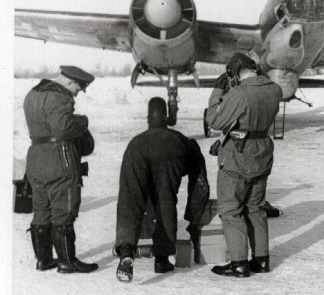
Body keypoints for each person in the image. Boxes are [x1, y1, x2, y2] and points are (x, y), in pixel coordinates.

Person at [113, 97, 211, 283]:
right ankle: (162, 259)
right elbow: (199, 182)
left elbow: (130, 195)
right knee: (165, 201)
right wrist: (194, 219)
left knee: (130, 201)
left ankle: (126, 251)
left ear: (148, 118)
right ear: (166, 118)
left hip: (136, 154)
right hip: (171, 155)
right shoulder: (180, 140)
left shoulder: (136, 142)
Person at [206, 52, 282, 277]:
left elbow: (214, 120)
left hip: (239, 157)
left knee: (231, 209)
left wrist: (218, 92)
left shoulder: (239, 93)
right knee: (256, 207)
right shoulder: (274, 89)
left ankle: (239, 263)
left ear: (235, 72)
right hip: (262, 151)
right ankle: (261, 260)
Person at [23, 65, 98, 273]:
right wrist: (81, 122)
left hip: (35, 157)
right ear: (70, 82)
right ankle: (67, 262)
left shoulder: (33, 94)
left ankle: (43, 260)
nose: (78, 93)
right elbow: (63, 128)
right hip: (59, 158)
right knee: (64, 210)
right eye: (79, 88)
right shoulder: (59, 96)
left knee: (41, 211)